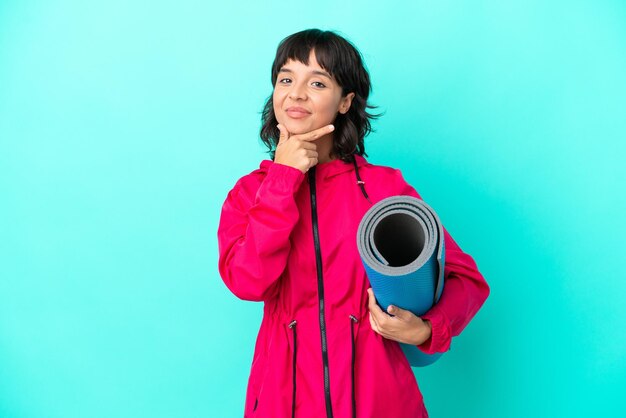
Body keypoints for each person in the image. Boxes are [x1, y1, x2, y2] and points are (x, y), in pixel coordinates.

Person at [217, 28, 490, 418]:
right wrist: (283, 179)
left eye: (317, 82)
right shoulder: (249, 193)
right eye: (286, 79)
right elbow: (248, 282)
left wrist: (428, 329)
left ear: (345, 101)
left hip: (380, 401)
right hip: (282, 401)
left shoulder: (383, 189)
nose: (296, 93)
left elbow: (467, 281)